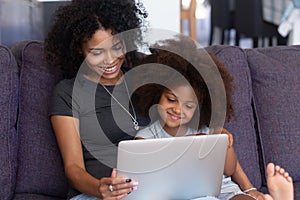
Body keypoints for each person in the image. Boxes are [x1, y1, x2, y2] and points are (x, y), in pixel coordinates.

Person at [134, 37, 269, 200]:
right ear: (156, 95)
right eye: (171, 99)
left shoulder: (205, 129)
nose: (177, 109)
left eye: (188, 106)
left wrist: (226, 146)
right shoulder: (146, 139)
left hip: (223, 190)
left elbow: (229, 170)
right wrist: (189, 143)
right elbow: (148, 180)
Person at [44, 0, 148, 199]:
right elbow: (73, 168)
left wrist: (208, 133)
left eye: (117, 47)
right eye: (97, 52)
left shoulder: (143, 81)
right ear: (78, 49)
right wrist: (100, 188)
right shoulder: (67, 92)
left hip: (152, 189)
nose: (110, 60)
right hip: (94, 194)